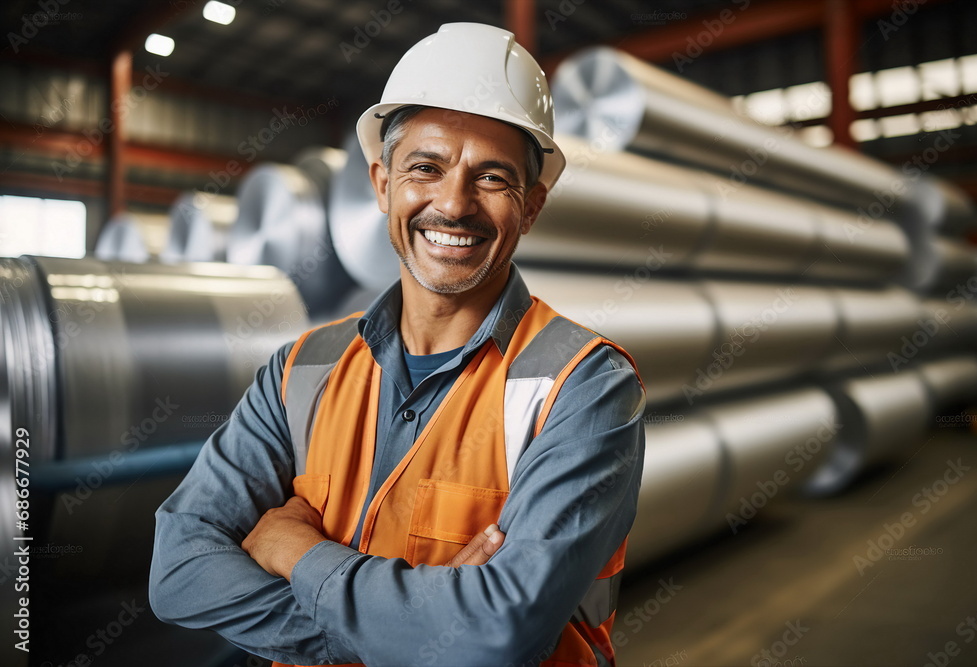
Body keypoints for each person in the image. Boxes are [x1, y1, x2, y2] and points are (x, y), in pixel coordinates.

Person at [150, 22, 645, 667]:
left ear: (531, 207)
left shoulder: (584, 387)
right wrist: (415, 632)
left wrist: (294, 551)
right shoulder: (303, 370)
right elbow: (178, 569)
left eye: (492, 177)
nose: (454, 203)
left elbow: (498, 634)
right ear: (383, 184)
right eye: (426, 168)